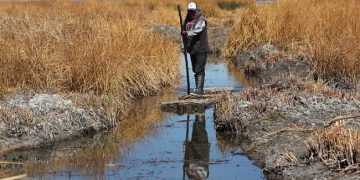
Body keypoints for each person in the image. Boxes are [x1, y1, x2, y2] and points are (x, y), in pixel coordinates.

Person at [182, 2, 209, 95]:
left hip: (201, 48)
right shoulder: (187, 20)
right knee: (195, 69)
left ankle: (199, 91)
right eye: (190, 11)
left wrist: (187, 33)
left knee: (199, 69)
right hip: (192, 49)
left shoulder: (201, 20)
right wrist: (184, 47)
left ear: (196, 11)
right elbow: (183, 36)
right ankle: (198, 89)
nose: (191, 13)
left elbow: (197, 30)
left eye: (193, 11)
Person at [183, 114, 210, 179]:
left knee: (197, 125)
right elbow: (200, 162)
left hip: (194, 145)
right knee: (199, 125)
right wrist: (193, 172)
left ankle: (199, 111)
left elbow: (186, 161)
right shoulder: (204, 175)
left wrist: (185, 147)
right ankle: (200, 111)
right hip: (201, 146)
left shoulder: (190, 176)